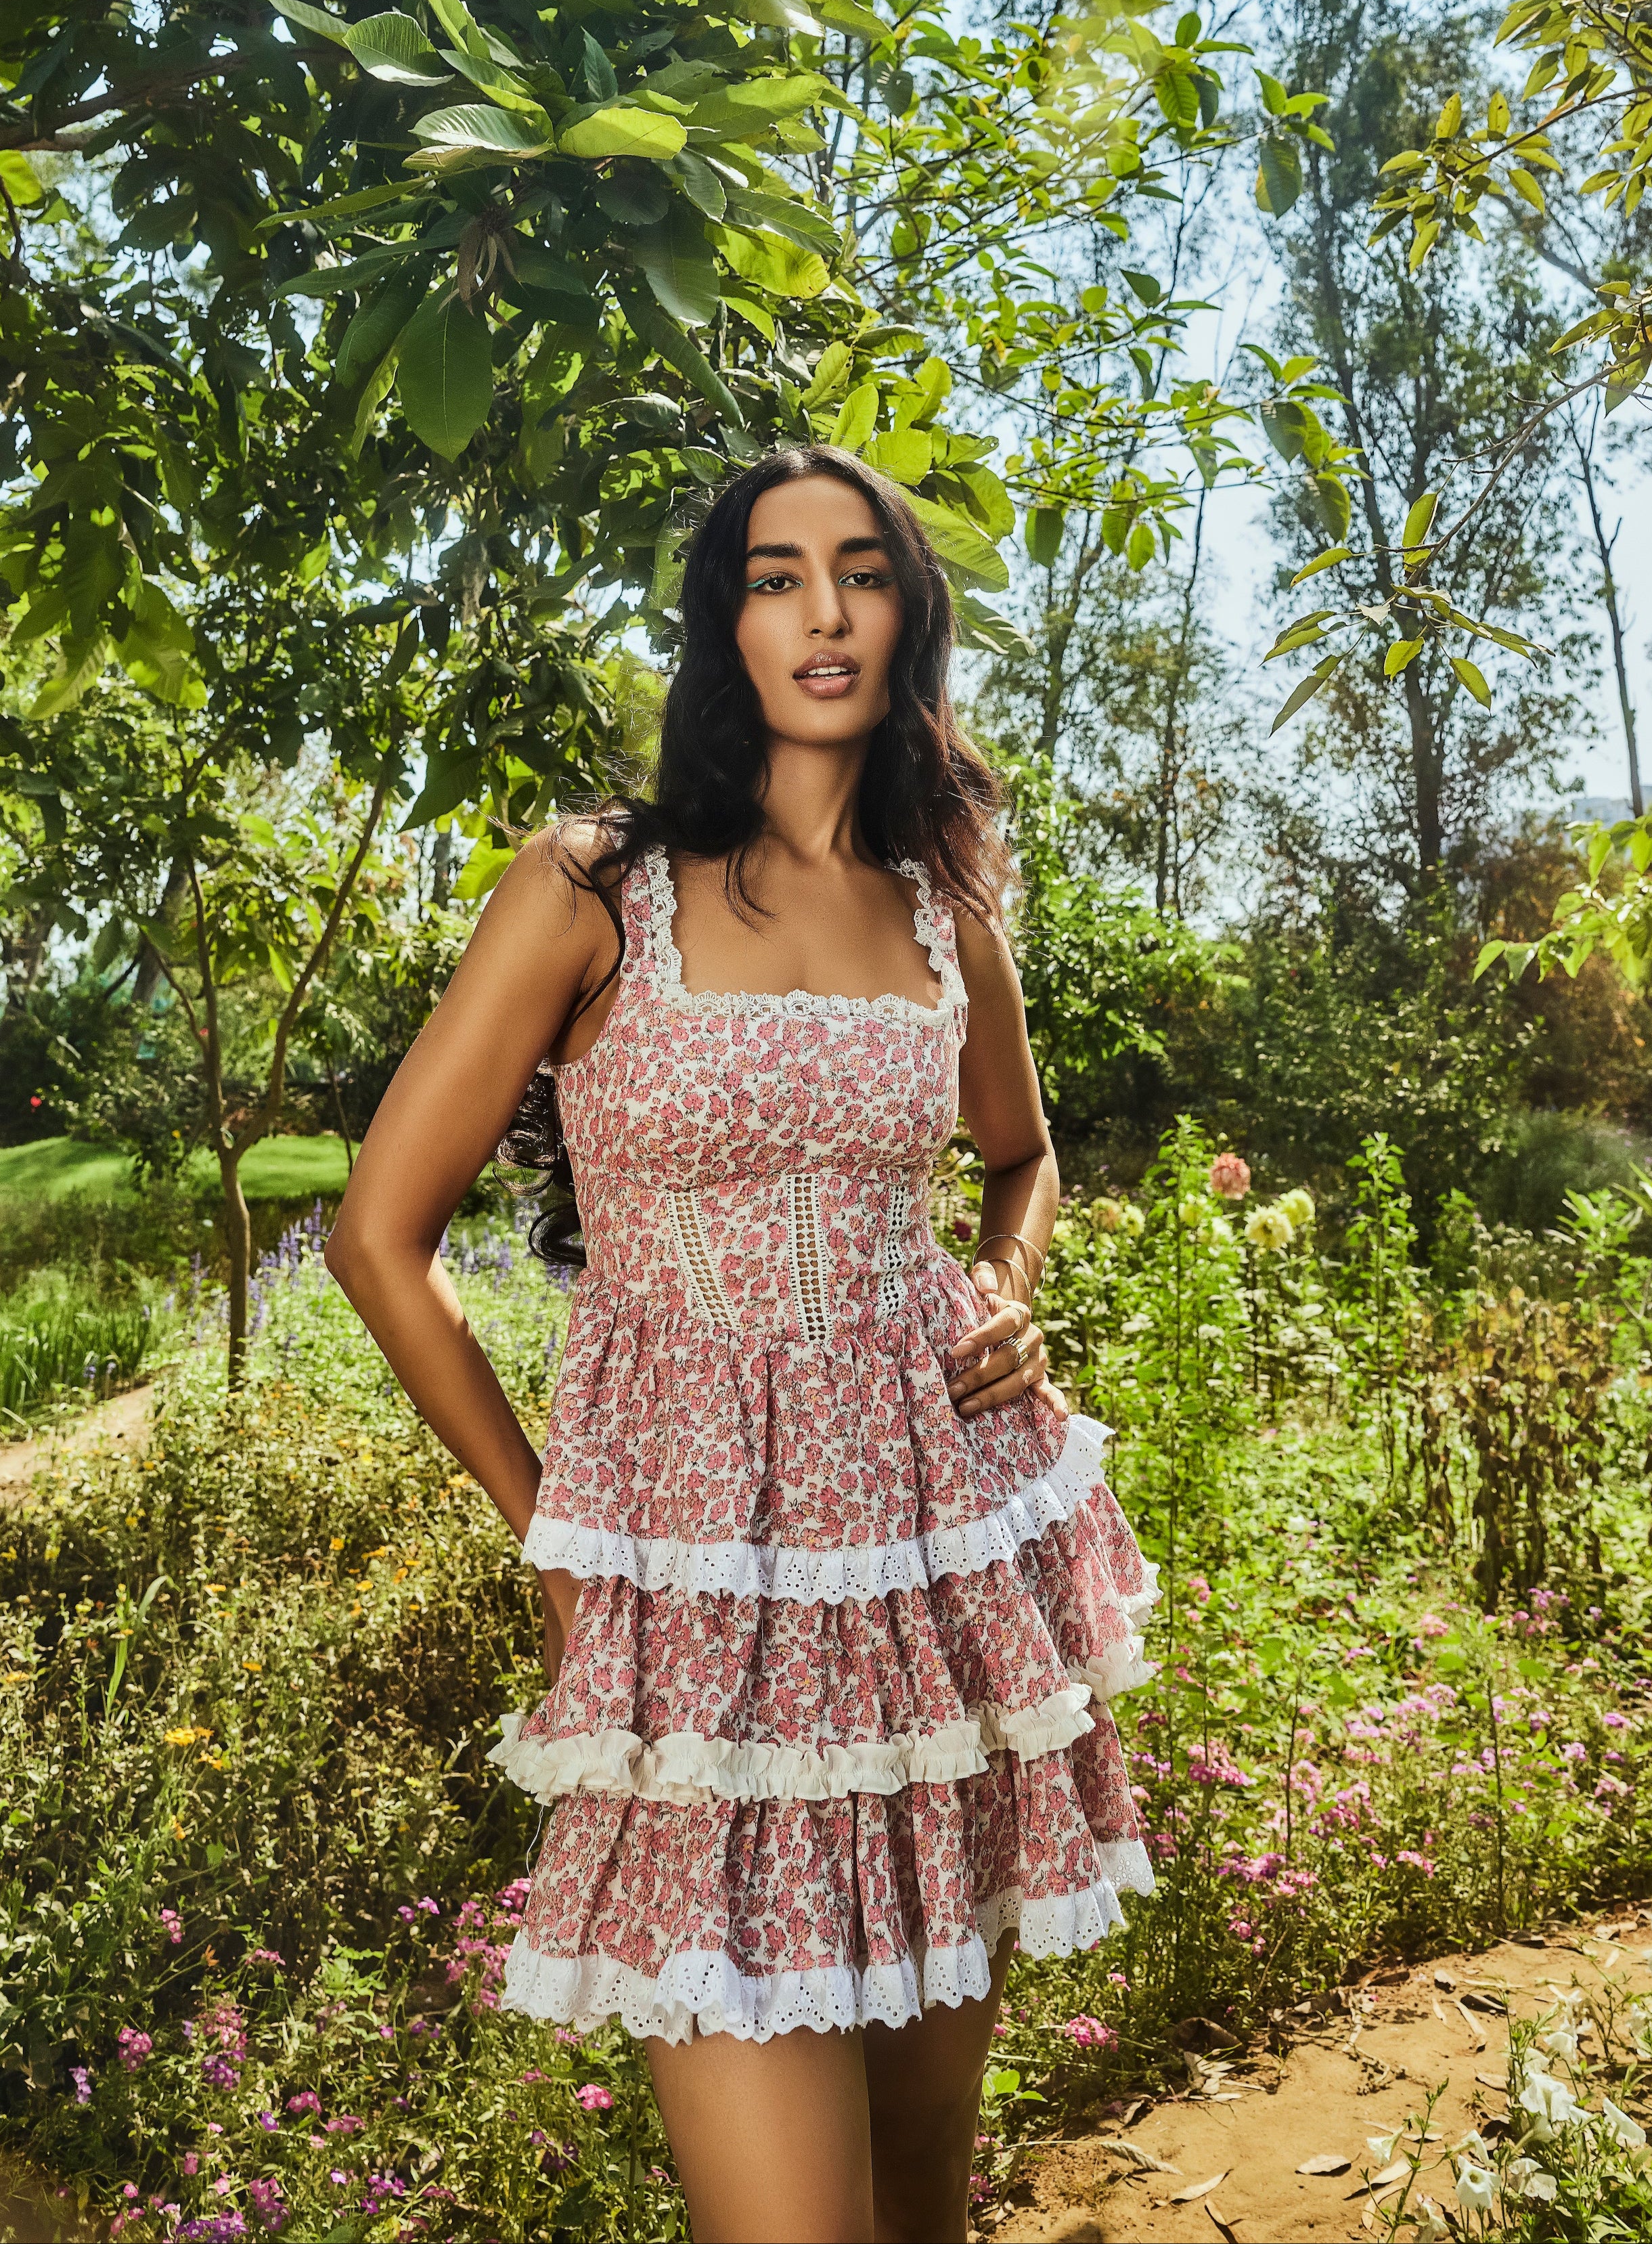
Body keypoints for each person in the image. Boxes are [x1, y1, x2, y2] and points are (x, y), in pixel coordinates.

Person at [325, 445, 1157, 2244]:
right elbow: (379, 1238)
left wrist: (1009, 1281)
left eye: (860, 571)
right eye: (778, 576)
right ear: (728, 621)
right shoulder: (592, 886)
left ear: (906, 614)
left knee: (926, 2198)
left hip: (939, 1575)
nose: (826, 609)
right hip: (699, 1604)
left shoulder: (953, 907)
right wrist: (554, 1523)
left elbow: (1025, 1152)